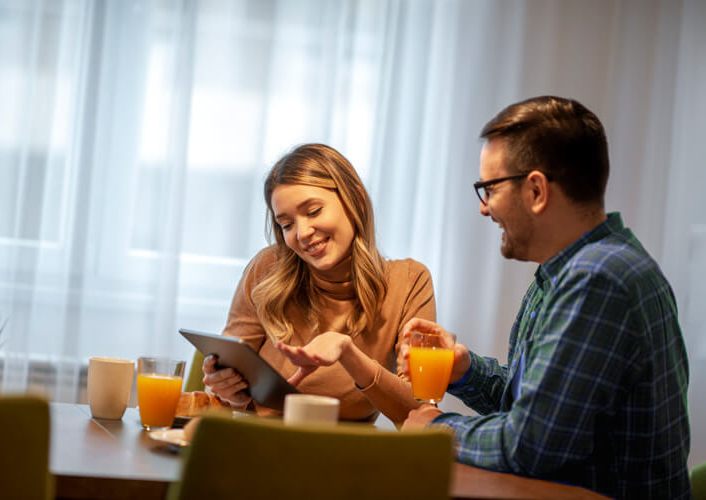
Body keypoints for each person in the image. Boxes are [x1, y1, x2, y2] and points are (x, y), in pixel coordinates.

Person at [400, 96, 691, 499]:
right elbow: (536, 407)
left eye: (489, 189)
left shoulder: (598, 279)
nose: (484, 209)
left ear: (536, 189)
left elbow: (531, 445)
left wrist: (436, 427)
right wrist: (463, 371)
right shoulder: (564, 271)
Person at [202, 143, 435, 424]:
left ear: (356, 201)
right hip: (259, 447)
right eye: (286, 224)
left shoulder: (409, 282)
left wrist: (348, 354)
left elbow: (419, 411)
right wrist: (230, 393)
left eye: (313, 211)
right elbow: (222, 384)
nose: (302, 233)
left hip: (347, 459)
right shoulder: (268, 270)